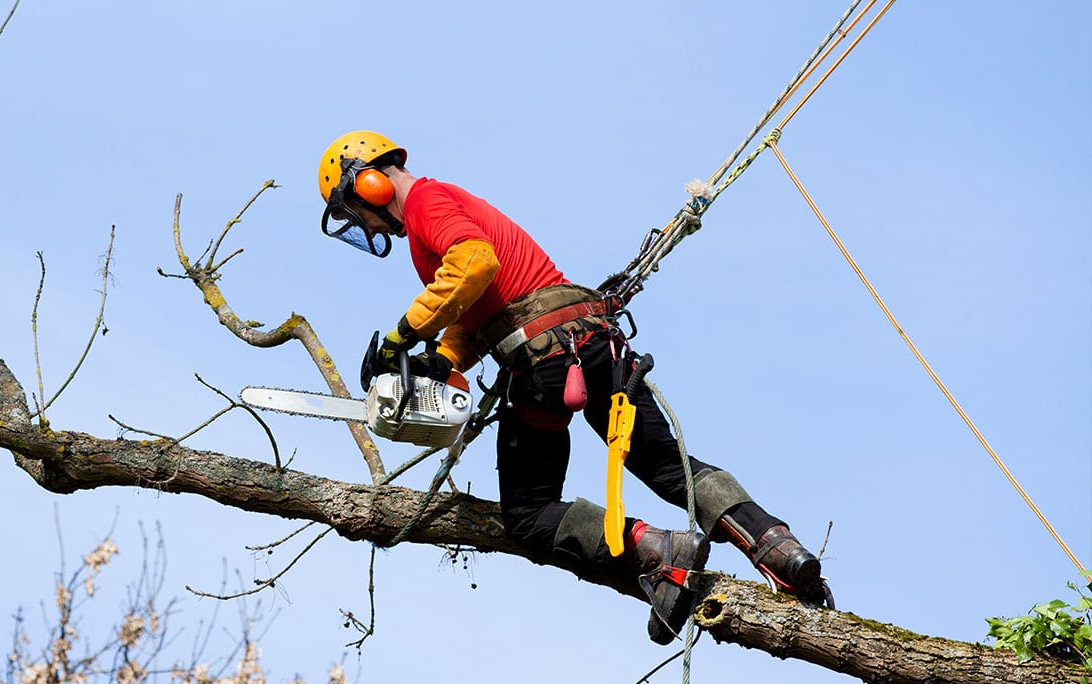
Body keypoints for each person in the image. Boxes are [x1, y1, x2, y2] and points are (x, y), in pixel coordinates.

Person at [317, 130, 831, 644]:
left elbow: (475, 264)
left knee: (529, 512)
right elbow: (476, 309)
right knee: (664, 463)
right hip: (591, 345)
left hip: (545, 363)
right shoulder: (444, 205)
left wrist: (401, 336)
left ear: (368, 183)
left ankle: (655, 550)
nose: (361, 223)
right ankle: (778, 546)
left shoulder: (427, 201)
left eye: (352, 210)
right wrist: (443, 358)